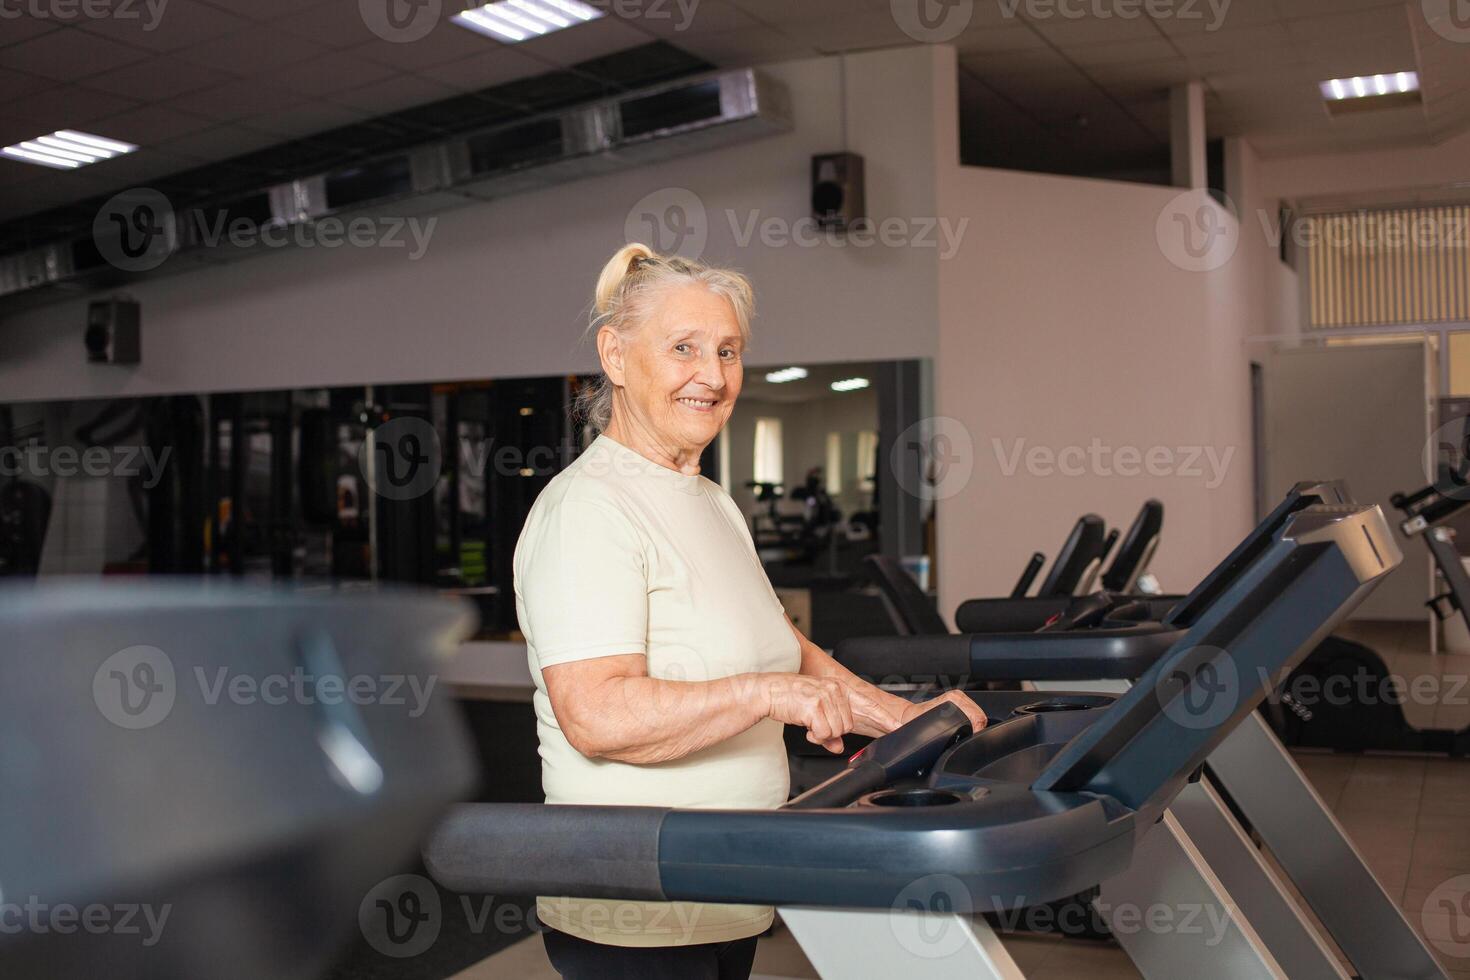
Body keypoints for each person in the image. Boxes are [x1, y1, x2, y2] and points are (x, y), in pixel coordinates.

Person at [514, 243, 987, 980]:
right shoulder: (589, 509)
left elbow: (787, 652)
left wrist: (904, 720)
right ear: (614, 354)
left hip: (724, 880)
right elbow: (597, 716)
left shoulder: (708, 500)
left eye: (729, 351)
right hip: (637, 900)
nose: (713, 375)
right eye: (684, 348)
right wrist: (767, 696)